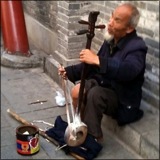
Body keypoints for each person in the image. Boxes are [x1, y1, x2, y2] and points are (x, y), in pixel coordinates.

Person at [58, 3, 148, 143]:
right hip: (104, 84)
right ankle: (80, 126)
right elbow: (92, 66)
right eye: (111, 17)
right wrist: (69, 72)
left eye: (117, 20)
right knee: (77, 91)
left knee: (95, 94)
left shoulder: (137, 47)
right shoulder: (110, 40)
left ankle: (94, 137)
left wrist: (98, 60)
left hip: (121, 97)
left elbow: (129, 70)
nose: (110, 23)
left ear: (129, 28)